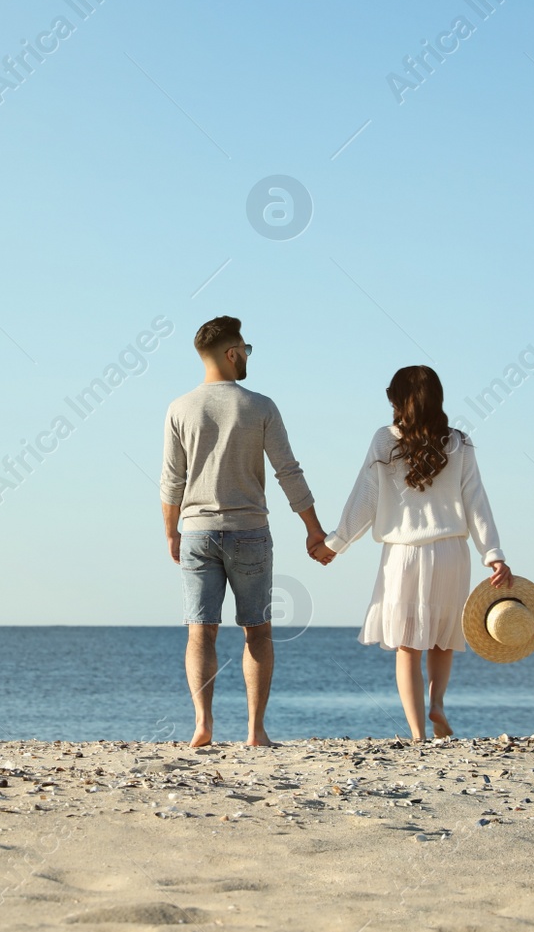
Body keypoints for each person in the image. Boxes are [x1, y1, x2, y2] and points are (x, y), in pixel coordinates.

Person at [310, 365, 513, 741]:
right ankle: (437, 704)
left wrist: (335, 544)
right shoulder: (459, 442)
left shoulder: (384, 440)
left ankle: (418, 733)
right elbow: (476, 502)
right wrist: (494, 554)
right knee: (442, 637)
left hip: (403, 554)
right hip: (452, 552)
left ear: (397, 400)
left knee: (408, 646)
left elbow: (365, 500)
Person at [159, 316, 327, 747]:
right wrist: (313, 529)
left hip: (196, 532)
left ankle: (202, 725)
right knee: (258, 630)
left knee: (200, 630)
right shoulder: (260, 406)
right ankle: (256, 731)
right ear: (232, 353)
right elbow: (288, 471)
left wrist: (171, 532)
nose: (247, 356)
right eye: (246, 350)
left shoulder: (179, 408)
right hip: (250, 530)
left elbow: (171, 480)